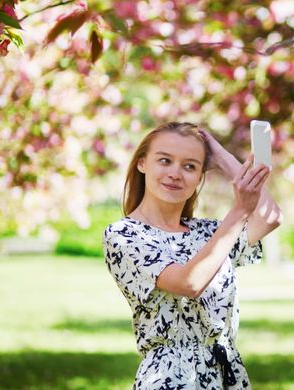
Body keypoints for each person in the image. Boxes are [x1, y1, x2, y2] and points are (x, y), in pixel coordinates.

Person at [103, 122, 282, 389]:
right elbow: (189, 283)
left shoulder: (209, 232)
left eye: (190, 166)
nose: (176, 173)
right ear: (142, 163)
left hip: (226, 374)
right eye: (165, 161)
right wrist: (239, 211)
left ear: (200, 176)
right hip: (171, 378)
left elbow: (270, 216)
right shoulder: (125, 235)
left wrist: (222, 157)